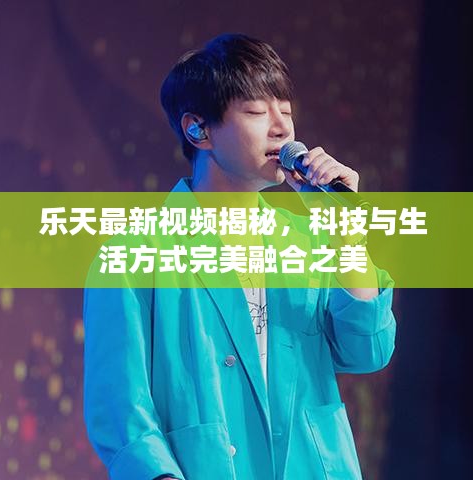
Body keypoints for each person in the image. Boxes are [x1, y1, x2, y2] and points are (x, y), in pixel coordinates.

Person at [83, 33, 396, 480]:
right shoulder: (136, 254)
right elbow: (120, 407)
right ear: (198, 129)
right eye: (255, 112)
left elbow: (367, 351)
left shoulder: (308, 243)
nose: (281, 128)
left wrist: (346, 236)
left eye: (286, 111)